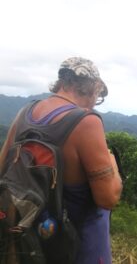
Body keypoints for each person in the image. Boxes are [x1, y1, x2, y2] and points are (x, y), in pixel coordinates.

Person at [0, 57, 123, 264]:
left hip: (30, 240)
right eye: (98, 96)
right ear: (93, 87)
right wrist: (112, 162)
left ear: (61, 83)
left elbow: (3, 168)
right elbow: (108, 198)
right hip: (79, 245)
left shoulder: (24, 113)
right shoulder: (87, 121)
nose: (95, 102)